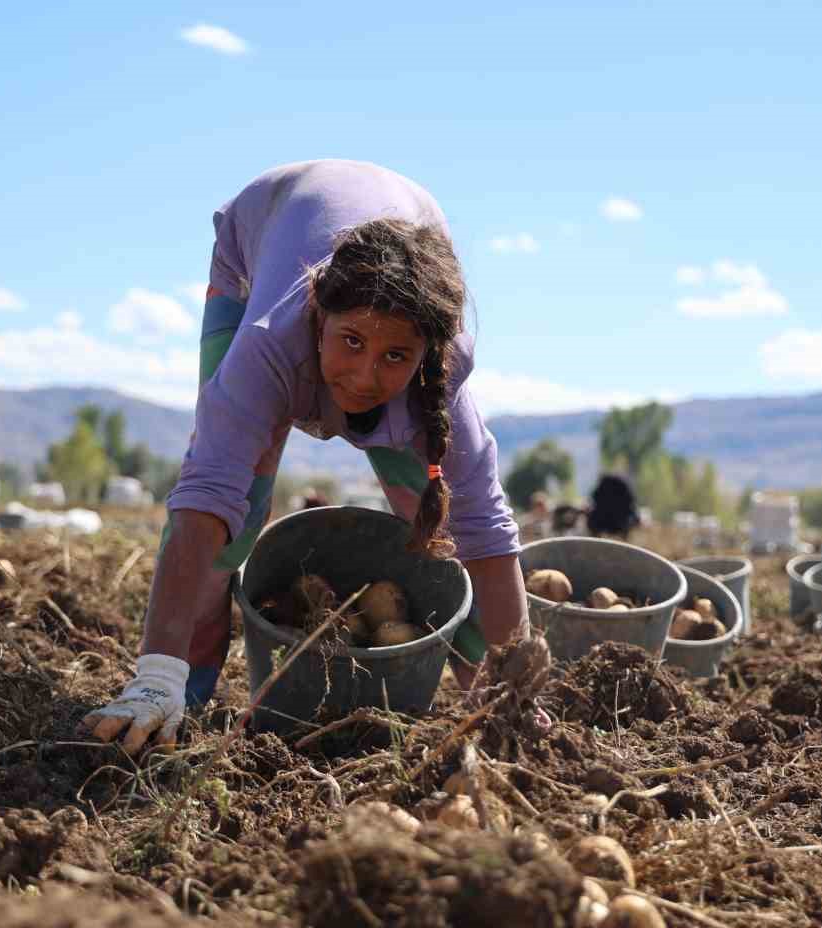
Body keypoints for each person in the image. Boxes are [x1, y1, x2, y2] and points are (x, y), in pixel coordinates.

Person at [81, 160, 528, 755]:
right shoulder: (267, 345)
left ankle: (489, 699)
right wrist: (154, 674)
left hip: (414, 229)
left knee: (440, 528)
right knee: (236, 520)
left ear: (427, 353)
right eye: (352, 342)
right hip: (258, 240)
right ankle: (175, 694)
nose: (365, 376)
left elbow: (487, 536)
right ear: (320, 314)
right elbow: (206, 496)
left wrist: (517, 696)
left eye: (396, 356)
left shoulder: (438, 376)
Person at [586, 473, 639, 539]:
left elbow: (593, 498)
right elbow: (632, 504)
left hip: (601, 522)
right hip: (620, 523)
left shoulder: (603, 486)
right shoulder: (623, 487)